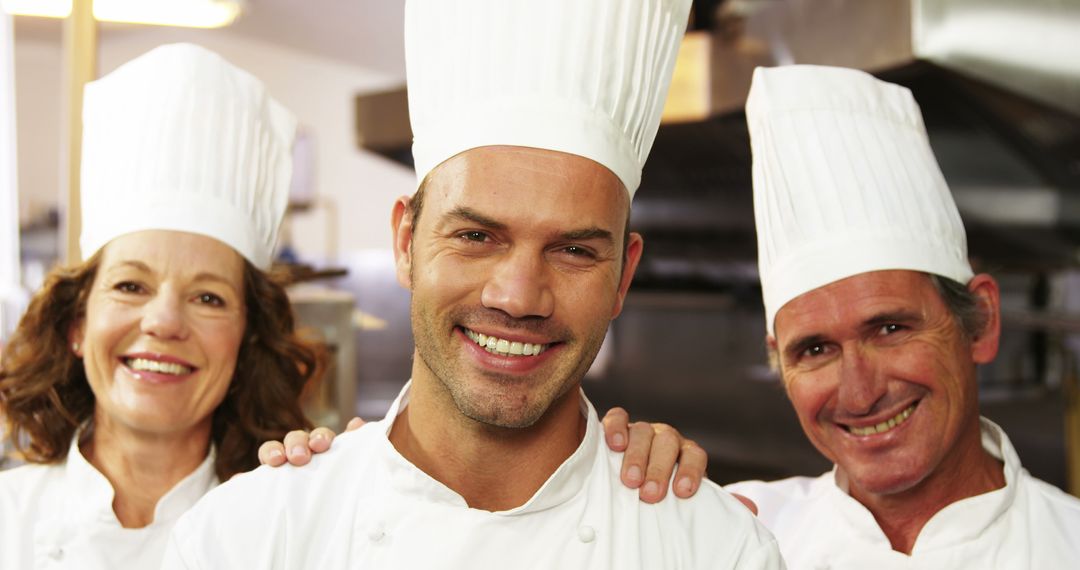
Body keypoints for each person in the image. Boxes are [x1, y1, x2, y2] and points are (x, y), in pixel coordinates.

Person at [161, 0, 783, 568]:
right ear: (406, 242)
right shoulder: (249, 535)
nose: (516, 297)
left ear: (624, 275)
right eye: (476, 237)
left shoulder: (712, 548)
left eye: (572, 250)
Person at [719, 65, 1080, 567]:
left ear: (981, 320)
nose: (861, 392)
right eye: (816, 349)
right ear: (779, 363)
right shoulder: (734, 534)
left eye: (890, 329)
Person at [0, 43, 325, 569]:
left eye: (208, 297)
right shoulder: (7, 523)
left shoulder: (287, 532)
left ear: (246, 340)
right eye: (131, 286)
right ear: (77, 326)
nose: (165, 322)